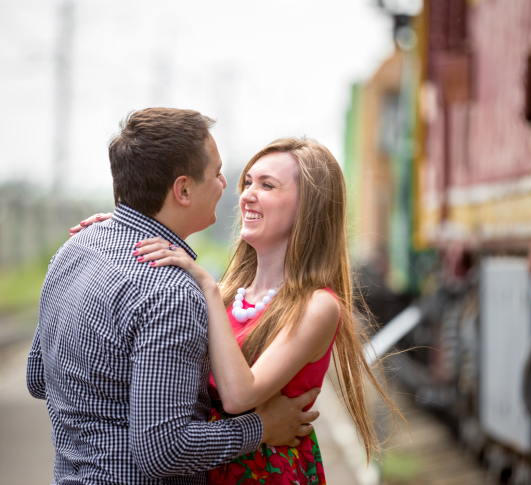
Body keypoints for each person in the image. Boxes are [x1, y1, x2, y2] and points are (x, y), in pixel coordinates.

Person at [75, 137, 404, 484]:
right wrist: (124, 226)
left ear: (309, 206)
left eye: (267, 185)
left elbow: (238, 396)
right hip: (207, 463)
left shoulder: (317, 305)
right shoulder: (232, 291)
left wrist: (207, 287)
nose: (246, 194)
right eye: (248, 182)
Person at [27, 108, 320, 485]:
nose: (225, 184)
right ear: (183, 190)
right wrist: (262, 426)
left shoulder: (75, 248)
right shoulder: (170, 292)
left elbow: (38, 378)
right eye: (216, 173)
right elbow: (166, 451)